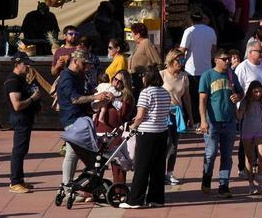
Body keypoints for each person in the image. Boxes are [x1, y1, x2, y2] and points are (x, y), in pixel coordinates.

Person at [56, 49, 113, 195]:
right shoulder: (67, 77)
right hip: (72, 120)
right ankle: (69, 187)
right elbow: (75, 99)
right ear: (75, 61)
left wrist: (100, 100)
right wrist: (96, 97)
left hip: (81, 118)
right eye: (84, 63)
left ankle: (71, 186)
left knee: (74, 153)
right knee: (74, 153)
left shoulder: (79, 75)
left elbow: (84, 99)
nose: (86, 67)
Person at [121, 68, 172, 209]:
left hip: (147, 133)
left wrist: (133, 126)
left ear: (147, 78)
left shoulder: (146, 92)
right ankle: (156, 198)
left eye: (144, 76)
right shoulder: (165, 92)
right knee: (158, 166)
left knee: (142, 167)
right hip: (162, 132)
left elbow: (140, 115)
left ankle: (135, 200)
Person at [198, 49, 243, 197]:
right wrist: (203, 121)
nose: (228, 61)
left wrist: (238, 96)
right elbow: (202, 100)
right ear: (215, 60)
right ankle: (207, 177)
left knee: (227, 155)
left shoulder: (231, 75)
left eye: (229, 59)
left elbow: (240, 92)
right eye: (224, 59)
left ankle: (224, 185)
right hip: (212, 122)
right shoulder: (207, 75)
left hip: (229, 121)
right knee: (210, 154)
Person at [4, 52, 41, 194]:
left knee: (22, 150)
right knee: (18, 151)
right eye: (25, 63)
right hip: (20, 119)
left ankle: (20, 179)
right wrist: (32, 98)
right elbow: (17, 105)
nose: (28, 66)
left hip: (26, 118)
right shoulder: (13, 81)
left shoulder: (21, 79)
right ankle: (14, 182)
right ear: (17, 64)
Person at [160, 48, 191, 186]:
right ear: (172, 61)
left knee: (174, 146)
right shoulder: (161, 75)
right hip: (163, 114)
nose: (182, 62)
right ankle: (158, 171)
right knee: (164, 144)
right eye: (180, 60)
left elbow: (187, 98)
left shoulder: (184, 76)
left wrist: (191, 116)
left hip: (177, 114)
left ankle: (169, 173)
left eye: (184, 59)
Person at [182, 10, 218, 116]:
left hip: (191, 70)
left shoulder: (189, 31)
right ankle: (204, 118)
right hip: (206, 69)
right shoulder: (211, 31)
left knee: (192, 97)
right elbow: (213, 49)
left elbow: (182, 50)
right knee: (204, 96)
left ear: (191, 19)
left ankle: (194, 119)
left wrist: (179, 62)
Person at [238, 80, 262, 193]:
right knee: (250, 158)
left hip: (259, 131)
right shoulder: (245, 103)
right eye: (255, 91)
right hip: (247, 131)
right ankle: (250, 183)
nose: (258, 94)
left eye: (260, 91)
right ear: (251, 92)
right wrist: (235, 106)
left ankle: (259, 175)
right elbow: (239, 117)